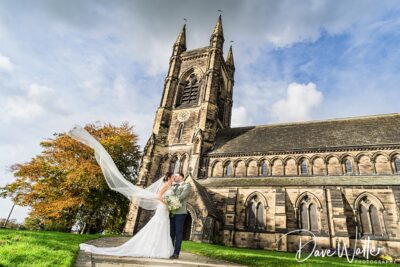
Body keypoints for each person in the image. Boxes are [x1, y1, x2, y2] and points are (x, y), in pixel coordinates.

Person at [66, 125, 178, 259]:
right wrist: (168, 203)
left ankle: (157, 249)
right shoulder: (166, 184)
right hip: (163, 208)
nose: (176, 177)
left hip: (164, 209)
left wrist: (170, 204)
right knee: (158, 228)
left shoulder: (170, 185)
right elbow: (160, 196)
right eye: (175, 176)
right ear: (170, 177)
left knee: (160, 229)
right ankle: (154, 250)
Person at [169, 172, 191, 259]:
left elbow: (182, 197)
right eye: (174, 176)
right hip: (172, 212)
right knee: (171, 233)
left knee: (178, 232)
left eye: (176, 176)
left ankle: (176, 253)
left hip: (181, 212)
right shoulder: (173, 186)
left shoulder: (186, 186)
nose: (174, 177)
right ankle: (170, 251)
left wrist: (169, 201)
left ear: (181, 177)